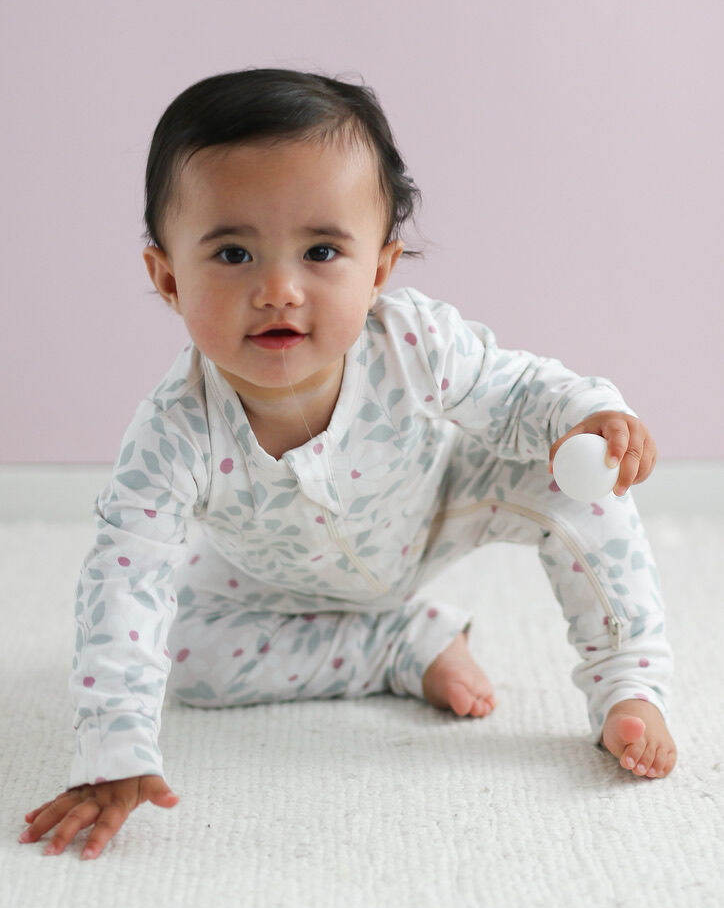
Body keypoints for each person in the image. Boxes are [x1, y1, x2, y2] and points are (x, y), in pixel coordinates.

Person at [19, 68, 677, 861]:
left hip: (437, 507)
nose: (278, 289)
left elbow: (512, 389)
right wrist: (114, 748)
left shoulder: (412, 342)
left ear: (379, 270)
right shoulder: (173, 434)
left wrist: (585, 412)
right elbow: (126, 581)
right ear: (166, 278)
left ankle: (627, 683)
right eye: (232, 253)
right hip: (271, 574)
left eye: (322, 250)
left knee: (578, 475)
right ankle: (399, 646)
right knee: (185, 660)